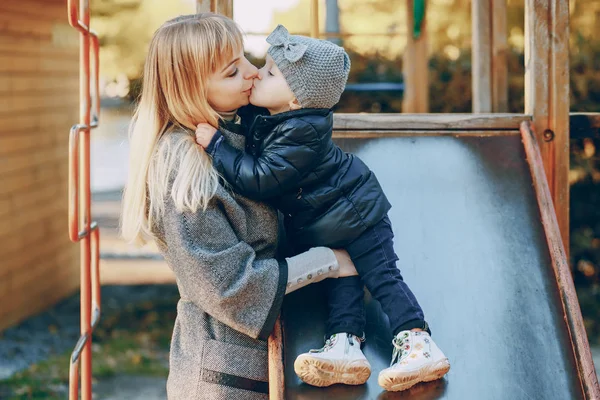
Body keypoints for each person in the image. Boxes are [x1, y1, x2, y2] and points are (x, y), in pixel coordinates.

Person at [195, 24, 450, 392]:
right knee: (342, 283)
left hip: (359, 215)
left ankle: (418, 342)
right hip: (328, 222)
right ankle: (345, 346)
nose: (256, 75)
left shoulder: (303, 131)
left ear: (295, 99)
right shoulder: (278, 116)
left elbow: (262, 178)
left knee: (382, 278)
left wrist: (219, 146)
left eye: (269, 73)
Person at [120, 14, 358, 400]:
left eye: (247, 59)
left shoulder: (238, 134)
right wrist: (327, 261)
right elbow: (229, 285)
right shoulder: (181, 169)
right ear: (191, 90)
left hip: (269, 360)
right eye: (233, 72)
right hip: (225, 377)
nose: (251, 73)